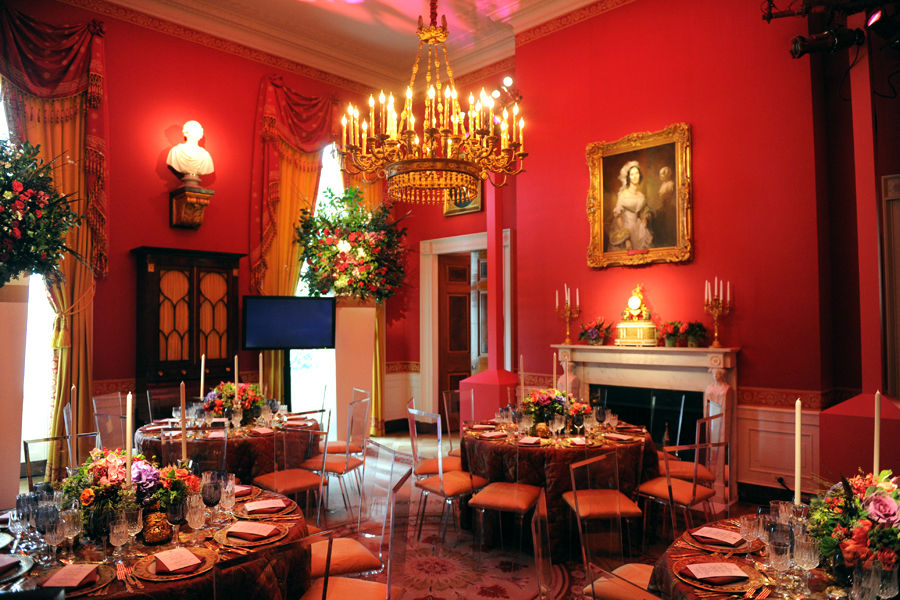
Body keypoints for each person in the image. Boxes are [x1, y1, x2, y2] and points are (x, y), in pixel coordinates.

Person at [608, 160, 653, 251]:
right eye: (632, 174)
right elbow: (618, 216)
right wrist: (626, 238)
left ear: (640, 175)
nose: (635, 176)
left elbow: (644, 210)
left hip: (639, 228)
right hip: (625, 227)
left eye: (637, 173)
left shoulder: (641, 196)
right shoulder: (623, 194)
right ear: (628, 177)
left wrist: (644, 218)